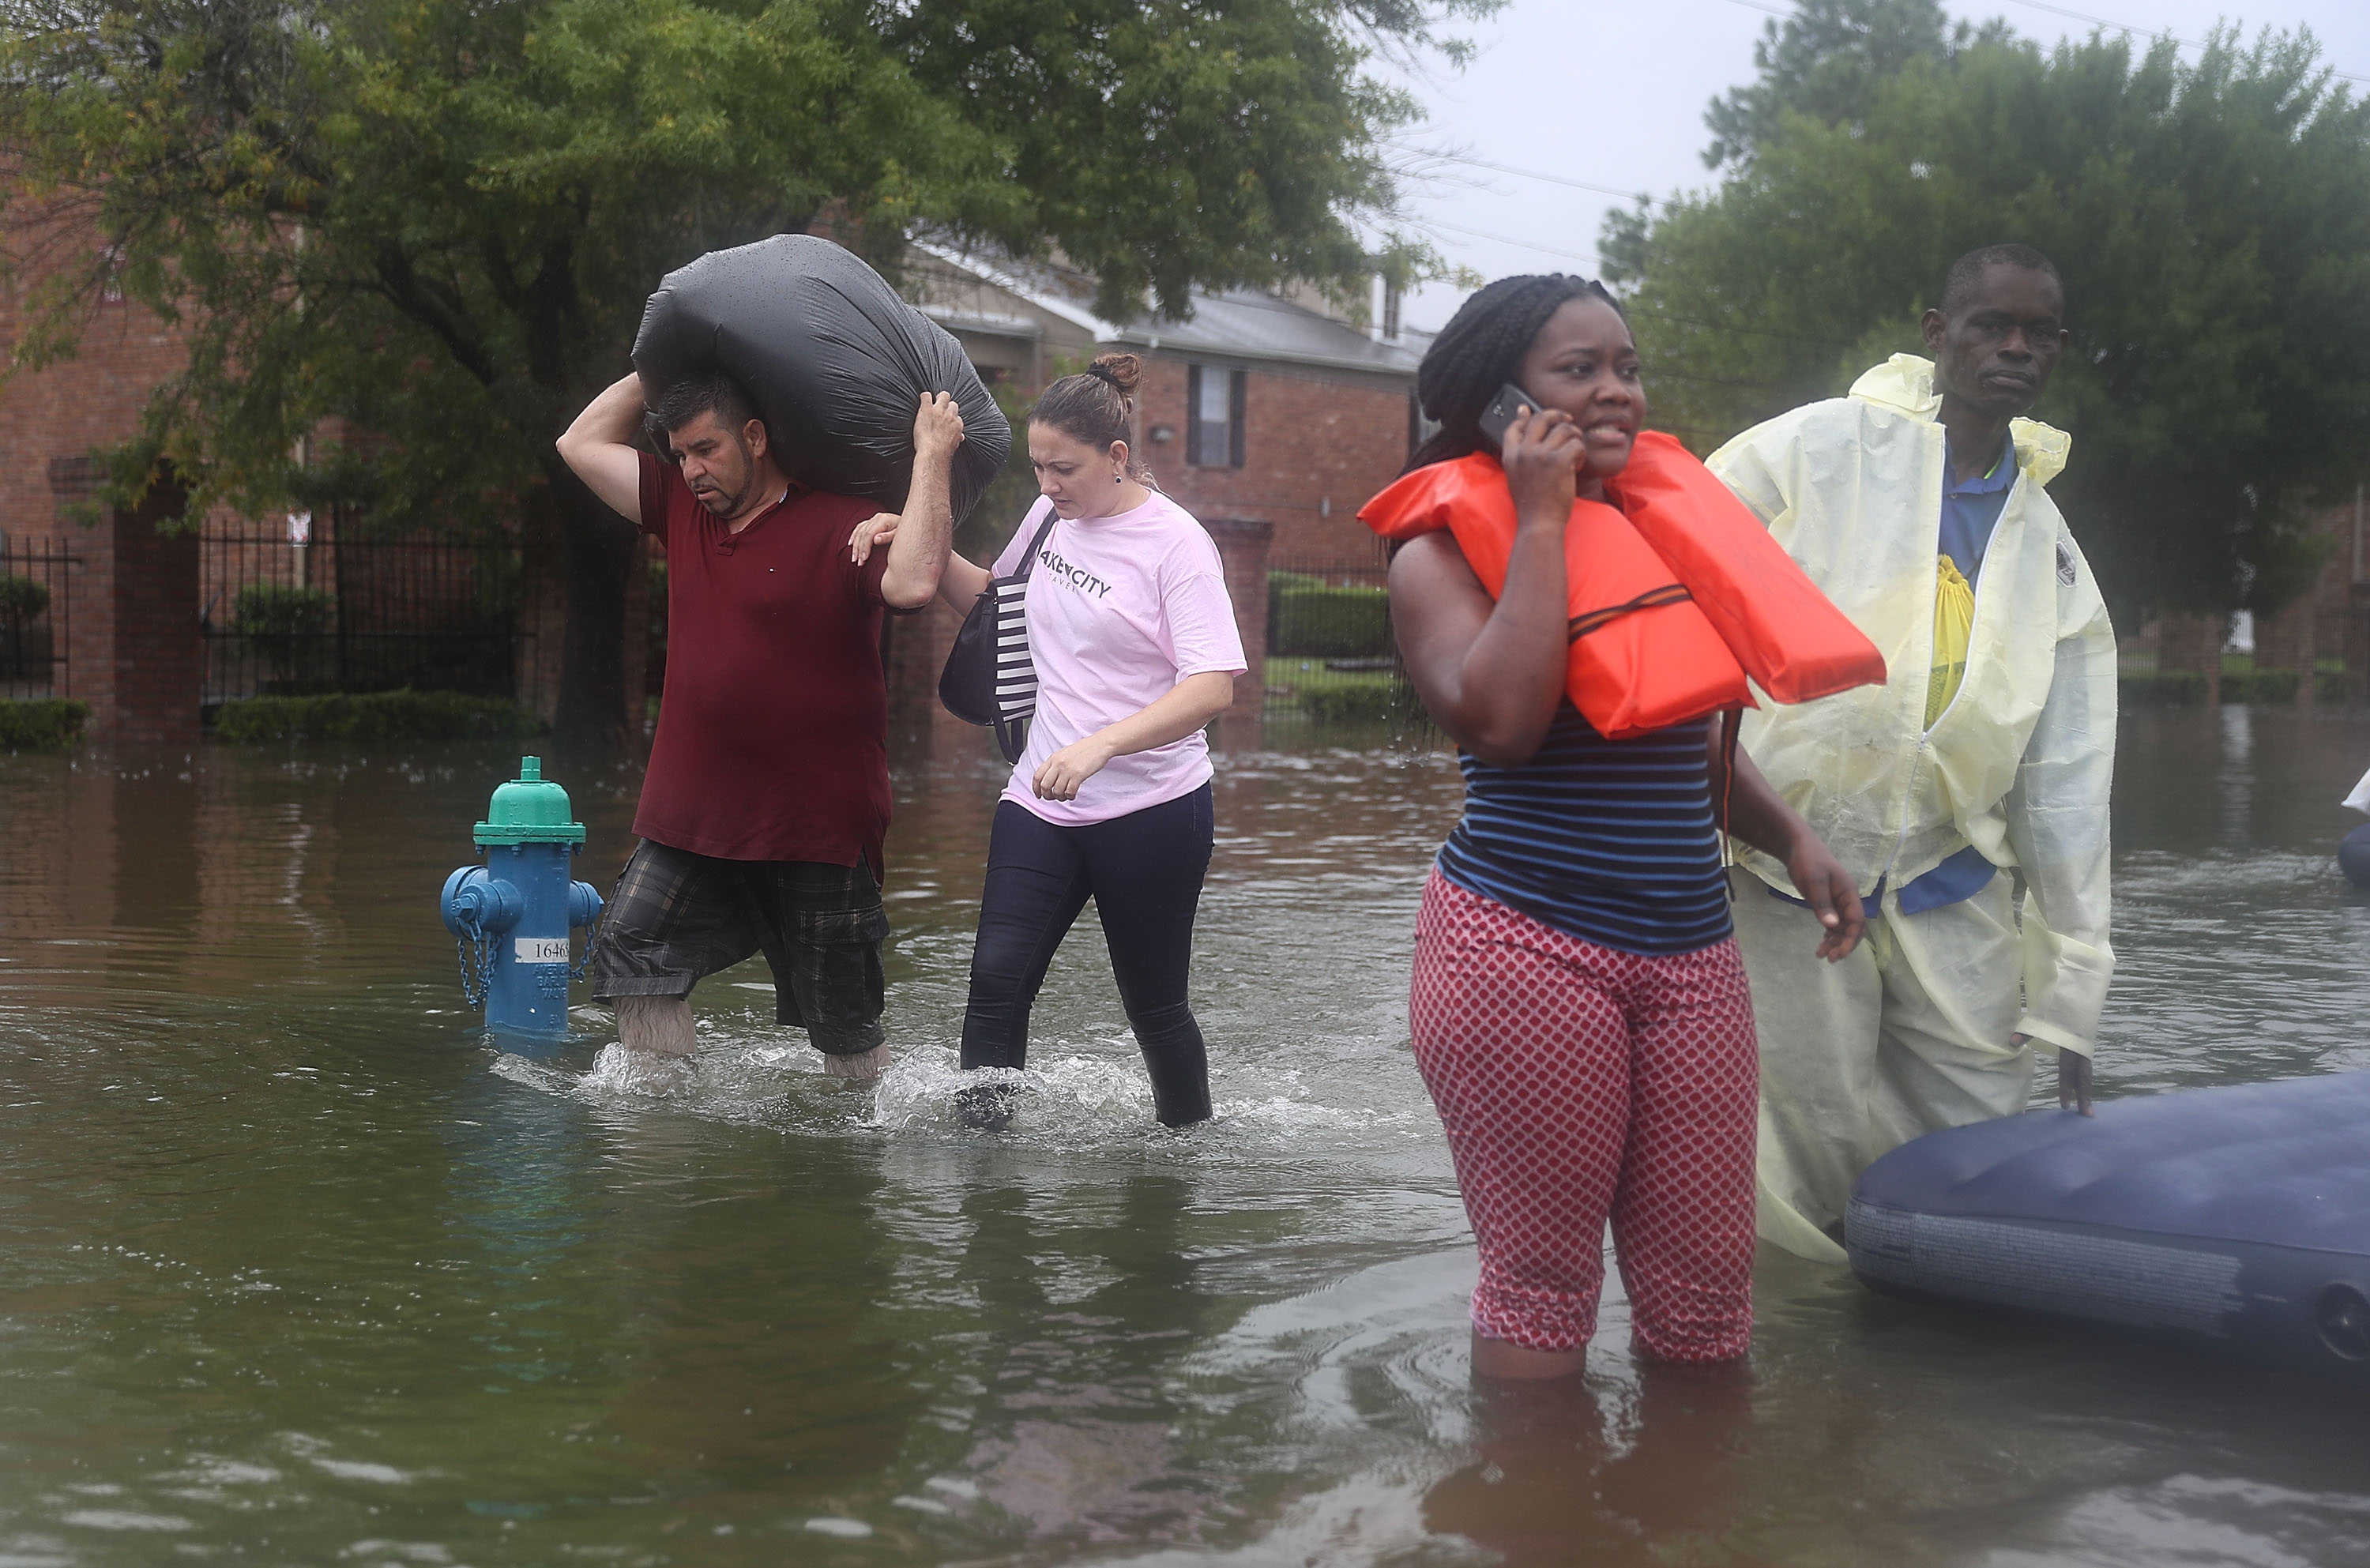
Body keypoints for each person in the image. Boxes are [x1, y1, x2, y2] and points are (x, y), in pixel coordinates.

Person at [1383, 275, 1866, 1377]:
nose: (1615, 392)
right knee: (1545, 1288)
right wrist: (1543, 517)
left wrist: (1789, 832)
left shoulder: (1653, 531)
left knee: (1708, 1297)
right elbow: (1503, 722)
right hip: (1524, 949)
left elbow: (1677, 733)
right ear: (1500, 399)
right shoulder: (1438, 556)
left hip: (1691, 955)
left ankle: (1675, 1527)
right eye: (1577, 370)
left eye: (1627, 368)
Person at [1707, 243, 2116, 1262]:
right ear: (1938, 334)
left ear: (2059, 350)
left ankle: (1940, 1374)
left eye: (2039, 332)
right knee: (1795, 1130)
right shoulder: (1815, 451)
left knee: (1982, 1129)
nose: (2015, 347)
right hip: (1779, 865)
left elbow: (2067, 778)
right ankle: (1800, 1368)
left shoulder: (2048, 543)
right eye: (1990, 325)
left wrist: (2072, 986)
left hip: (1951, 871)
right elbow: (1676, 570)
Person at [852, 355, 1247, 1128]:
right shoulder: (1048, 519)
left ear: (1117, 458)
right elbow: (999, 606)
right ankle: (983, 1162)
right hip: (1042, 796)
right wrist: (918, 541)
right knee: (996, 981)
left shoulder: (1176, 544)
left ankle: (1190, 1157)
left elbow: (1212, 688)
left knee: (1155, 1008)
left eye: (1063, 468)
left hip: (1153, 808)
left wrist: (1101, 746)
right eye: (1037, 467)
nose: (1047, 484)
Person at [554, 370, 965, 1083]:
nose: (691, 469)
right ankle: (663, 1136)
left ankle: (845, 1173)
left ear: (755, 436)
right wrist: (656, 359)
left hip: (818, 827)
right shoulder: (680, 507)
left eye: (705, 449)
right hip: (693, 819)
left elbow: (914, 583)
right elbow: (579, 442)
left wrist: (931, 455)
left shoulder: (845, 522)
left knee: (845, 1039)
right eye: (680, 454)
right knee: (630, 947)